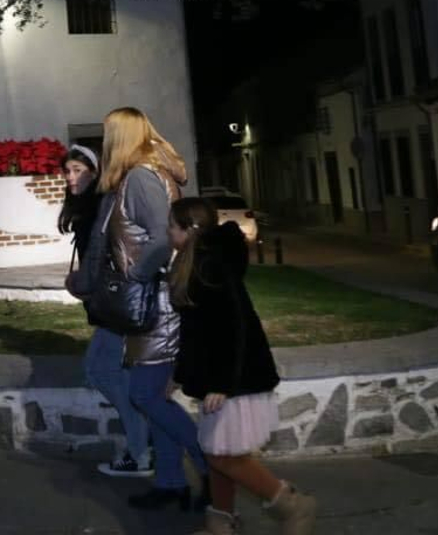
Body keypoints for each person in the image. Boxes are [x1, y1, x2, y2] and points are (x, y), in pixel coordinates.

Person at [80, 106, 208, 511]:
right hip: (155, 299)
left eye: (108, 134)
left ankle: (210, 466)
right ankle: (171, 483)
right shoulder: (149, 173)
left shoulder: (140, 177)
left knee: (144, 394)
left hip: (156, 302)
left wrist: (136, 277)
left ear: (121, 137)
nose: (104, 143)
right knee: (151, 393)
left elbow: (160, 239)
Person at [169, 197, 317, 535]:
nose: (167, 232)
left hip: (235, 377)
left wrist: (222, 383)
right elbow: (195, 332)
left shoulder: (211, 266)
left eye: (171, 227)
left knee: (225, 456)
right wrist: (179, 375)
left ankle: (292, 505)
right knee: (217, 452)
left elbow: (231, 327)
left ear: (188, 230)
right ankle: (221, 523)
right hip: (220, 376)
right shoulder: (196, 261)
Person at [60, 144, 153, 479]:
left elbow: (99, 257)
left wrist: (78, 283)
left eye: (78, 170)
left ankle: (141, 451)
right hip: (108, 305)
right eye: (67, 171)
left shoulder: (102, 204)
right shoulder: (88, 207)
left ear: (95, 171)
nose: (71, 177)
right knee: (109, 372)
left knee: (103, 372)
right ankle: (145, 442)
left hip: (113, 304)